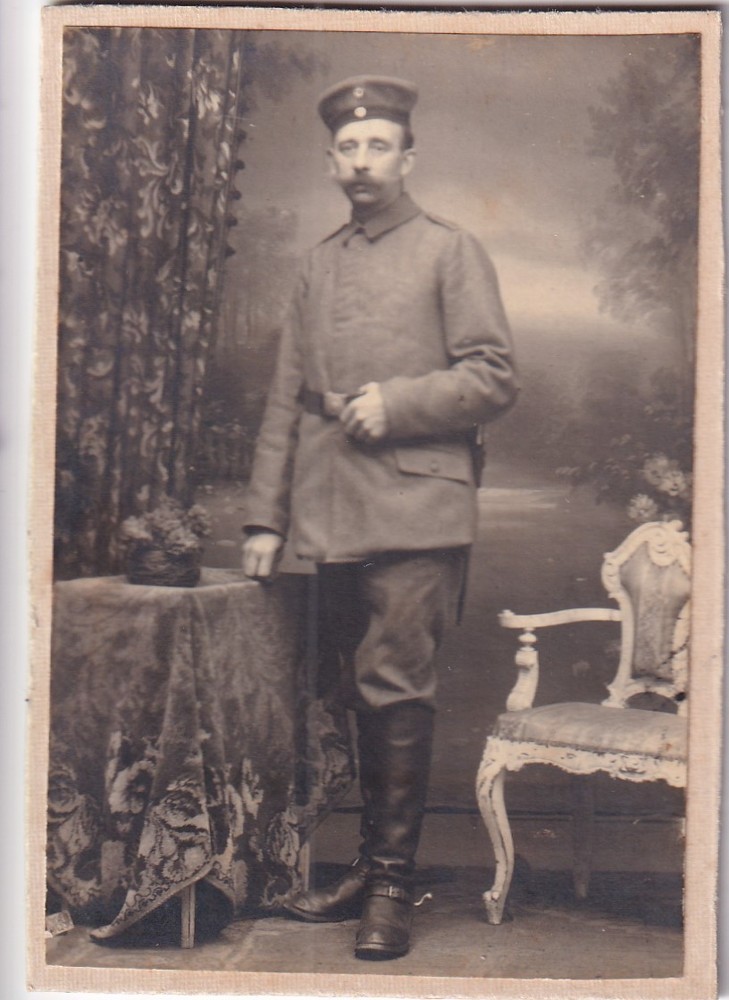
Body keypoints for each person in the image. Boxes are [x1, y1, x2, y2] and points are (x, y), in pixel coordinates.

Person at [242, 75, 518, 960]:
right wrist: (263, 520)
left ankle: (393, 888)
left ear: (407, 158)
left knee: (395, 685)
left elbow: (493, 375)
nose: (362, 161)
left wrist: (395, 404)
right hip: (327, 510)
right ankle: (368, 867)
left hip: (415, 506)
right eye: (348, 148)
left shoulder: (449, 249)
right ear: (331, 162)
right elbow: (287, 396)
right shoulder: (318, 262)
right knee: (347, 692)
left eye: (379, 146)